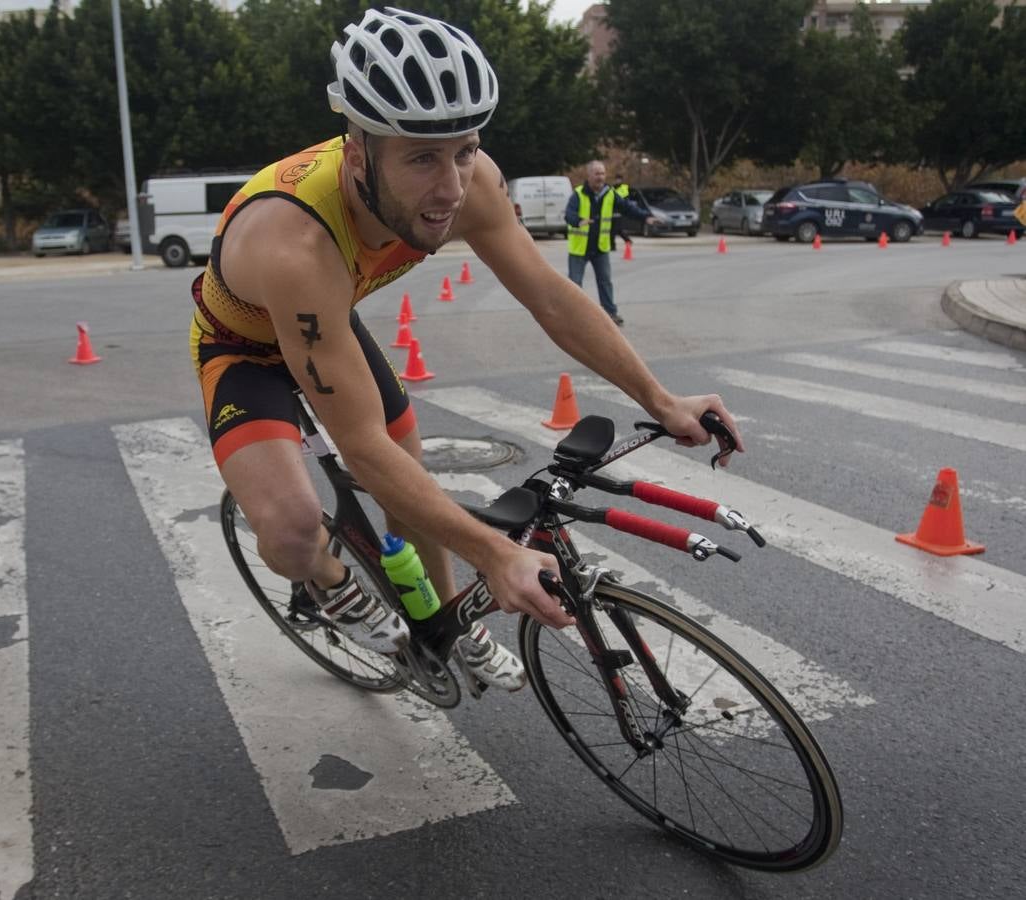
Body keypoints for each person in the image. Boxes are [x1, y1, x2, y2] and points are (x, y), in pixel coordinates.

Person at [189, 8, 742, 691]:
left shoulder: (470, 182)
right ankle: (332, 587)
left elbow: (548, 294)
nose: (450, 186)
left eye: (464, 149)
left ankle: (448, 620)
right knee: (293, 527)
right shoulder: (293, 241)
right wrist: (495, 553)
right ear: (359, 153)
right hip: (246, 346)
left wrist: (660, 397)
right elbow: (361, 446)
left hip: (328, 324)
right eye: (422, 158)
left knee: (411, 487)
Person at [564, 161, 658, 326]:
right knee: (574, 283)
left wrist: (645, 217)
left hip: (600, 247)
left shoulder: (610, 194)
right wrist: (578, 221)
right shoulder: (578, 194)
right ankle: (573, 316)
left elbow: (628, 208)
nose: (600, 177)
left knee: (605, 281)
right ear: (589, 175)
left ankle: (610, 313)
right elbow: (569, 214)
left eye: (602, 173)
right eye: (596, 173)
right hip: (580, 248)